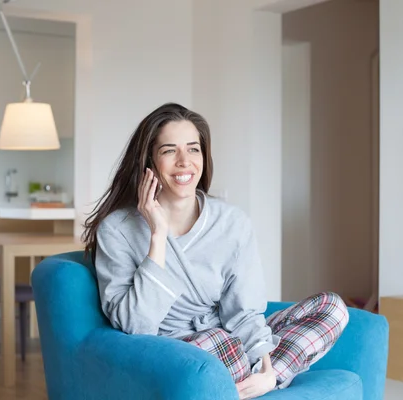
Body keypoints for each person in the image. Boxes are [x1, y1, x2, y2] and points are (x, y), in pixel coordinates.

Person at [82, 103, 349, 399]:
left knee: (332, 307)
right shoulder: (117, 230)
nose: (185, 161)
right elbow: (135, 325)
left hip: (232, 341)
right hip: (176, 352)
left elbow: (244, 312)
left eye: (193, 149)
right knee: (218, 343)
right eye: (170, 151)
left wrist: (267, 368)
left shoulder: (232, 222)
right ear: (150, 162)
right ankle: (238, 380)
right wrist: (157, 235)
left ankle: (259, 384)